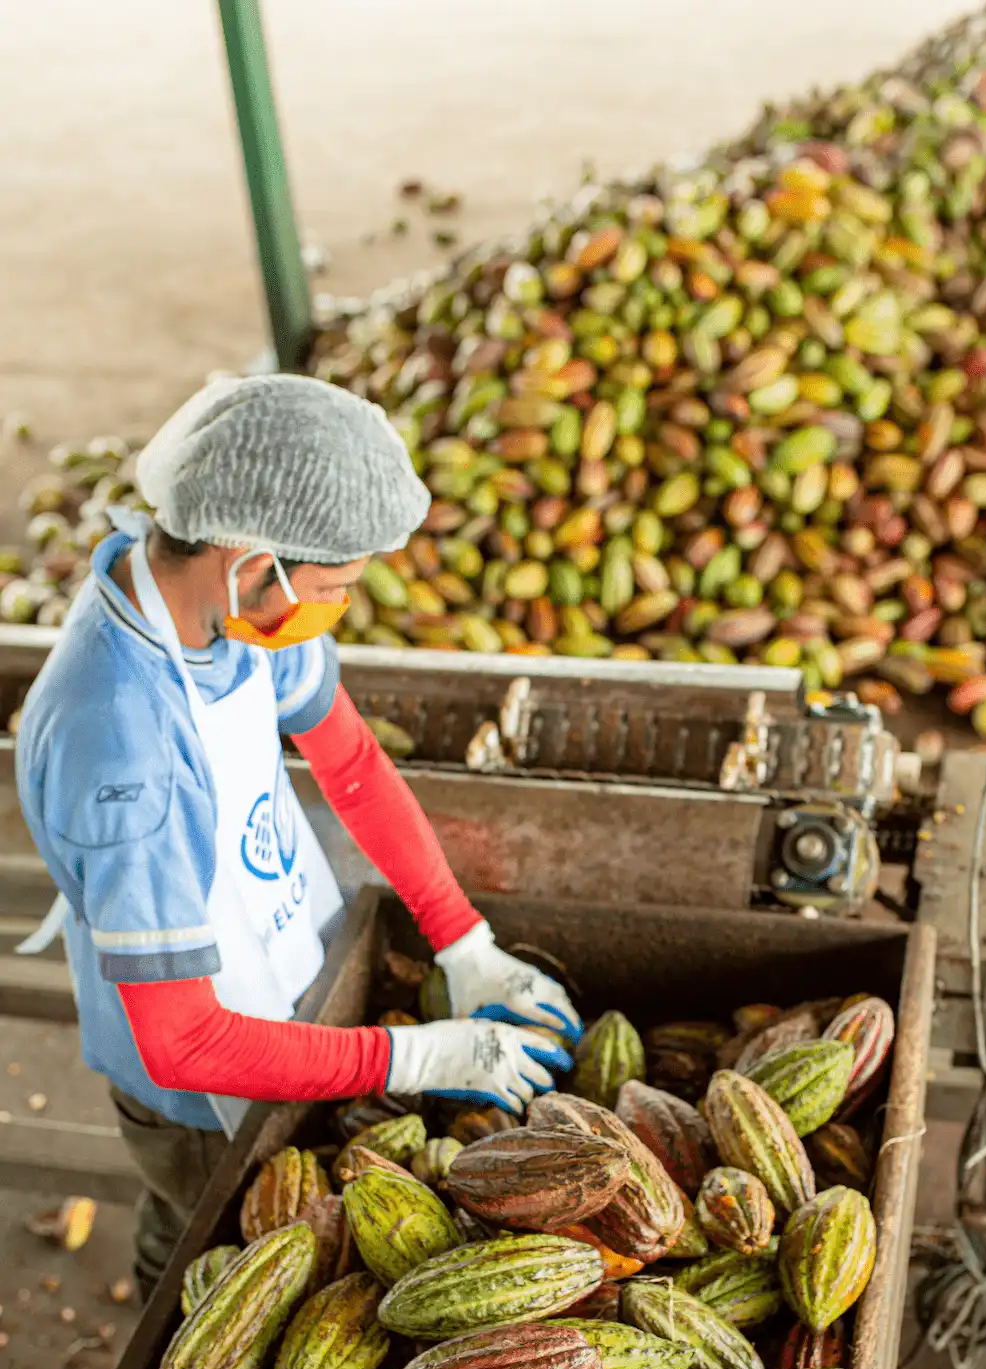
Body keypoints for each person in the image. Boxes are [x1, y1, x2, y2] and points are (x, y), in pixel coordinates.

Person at [17, 374, 583, 1294]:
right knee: (208, 1262)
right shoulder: (119, 742)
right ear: (251, 556)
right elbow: (187, 1042)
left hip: (286, 986)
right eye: (335, 586)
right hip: (200, 1096)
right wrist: (418, 1055)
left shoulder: (233, 609)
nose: (338, 608)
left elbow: (351, 763)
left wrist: (462, 938)